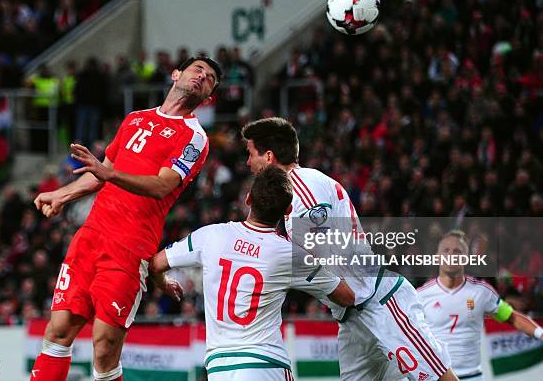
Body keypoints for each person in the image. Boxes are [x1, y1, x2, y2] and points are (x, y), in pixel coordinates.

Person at [29, 57, 223, 381]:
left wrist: (110, 173)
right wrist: (61, 195)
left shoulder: (194, 137)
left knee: (104, 348)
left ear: (208, 97)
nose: (203, 76)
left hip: (130, 249)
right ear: (176, 74)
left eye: (210, 78)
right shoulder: (134, 119)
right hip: (91, 236)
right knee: (58, 329)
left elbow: (162, 186)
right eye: (197, 69)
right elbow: (99, 174)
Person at [241, 117, 459, 381]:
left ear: (268, 156)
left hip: (379, 302)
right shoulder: (293, 194)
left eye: (250, 154)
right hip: (352, 315)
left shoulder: (302, 186)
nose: (248, 163)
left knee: (438, 378)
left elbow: (322, 250)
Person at [149, 166, 355, 381]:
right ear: (287, 211)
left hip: (219, 368)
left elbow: (155, 264)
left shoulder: (210, 235)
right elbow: (347, 297)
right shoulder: (289, 253)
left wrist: (162, 282)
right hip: (266, 364)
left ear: (248, 199)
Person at [418, 230, 543, 381]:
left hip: (473, 377)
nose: (451, 255)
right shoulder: (421, 295)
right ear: (437, 256)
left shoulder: (482, 292)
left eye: (457, 251)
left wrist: (539, 333)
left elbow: (512, 317)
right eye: (446, 250)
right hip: (437, 378)